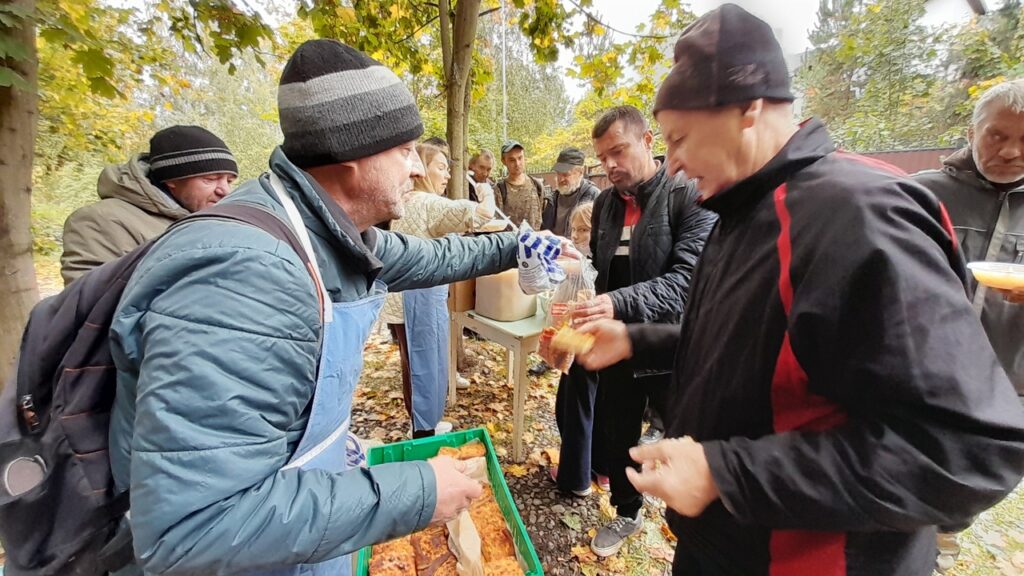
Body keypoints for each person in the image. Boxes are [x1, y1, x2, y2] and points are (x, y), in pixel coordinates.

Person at [577, 5, 1024, 575]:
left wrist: (728, 472)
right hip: (727, 545)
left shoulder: (859, 217)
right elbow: (756, 345)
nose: (676, 165)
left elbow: (964, 450)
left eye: (680, 139)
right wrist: (636, 340)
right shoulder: (740, 209)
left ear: (748, 106)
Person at [106, 40, 570, 576]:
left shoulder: (331, 232)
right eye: (404, 150)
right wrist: (417, 490)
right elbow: (192, 528)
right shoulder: (247, 276)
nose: (415, 169)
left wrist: (517, 245)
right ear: (352, 157)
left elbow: (434, 257)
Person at [579, 105, 717, 558]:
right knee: (618, 432)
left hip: (673, 346)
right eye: (603, 158)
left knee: (682, 437)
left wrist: (617, 302)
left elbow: (687, 282)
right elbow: (598, 270)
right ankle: (627, 511)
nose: (610, 165)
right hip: (616, 343)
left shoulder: (686, 194)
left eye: (618, 151)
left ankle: (689, 525)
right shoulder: (604, 204)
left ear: (647, 142)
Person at [912, 78, 1024, 573]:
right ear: (973, 130)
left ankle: (946, 533)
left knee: (983, 476)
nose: (1011, 151)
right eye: (997, 135)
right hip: (925, 373)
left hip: (1010, 381)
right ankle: (919, 544)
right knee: (912, 469)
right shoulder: (921, 194)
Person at [382, 142, 494, 438]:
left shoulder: (405, 199)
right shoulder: (426, 202)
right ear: (421, 170)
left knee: (413, 365)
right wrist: (486, 192)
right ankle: (423, 432)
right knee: (425, 365)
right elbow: (481, 214)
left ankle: (422, 423)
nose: (447, 175)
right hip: (416, 300)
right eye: (441, 168)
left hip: (401, 298)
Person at [60, 125, 238, 285]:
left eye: (229, 181)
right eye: (210, 179)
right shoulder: (100, 220)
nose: (225, 191)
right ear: (171, 180)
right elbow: (89, 301)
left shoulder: (213, 220)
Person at [551, 201, 600, 498]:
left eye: (584, 229)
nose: (577, 235)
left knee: (574, 407)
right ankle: (602, 470)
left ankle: (575, 478)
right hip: (600, 343)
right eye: (574, 229)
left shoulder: (587, 263)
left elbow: (566, 267)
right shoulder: (602, 258)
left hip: (583, 342)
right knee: (598, 406)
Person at [542, 147, 600, 237]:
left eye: (566, 174)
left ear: (581, 172)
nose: (561, 179)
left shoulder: (594, 197)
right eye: (558, 173)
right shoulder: (552, 198)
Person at [496, 140, 545, 229]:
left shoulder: (537, 185)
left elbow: (542, 216)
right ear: (503, 161)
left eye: (520, 158)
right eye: (512, 160)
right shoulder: (499, 190)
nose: (517, 163)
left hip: (535, 237)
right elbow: (497, 223)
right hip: (510, 237)